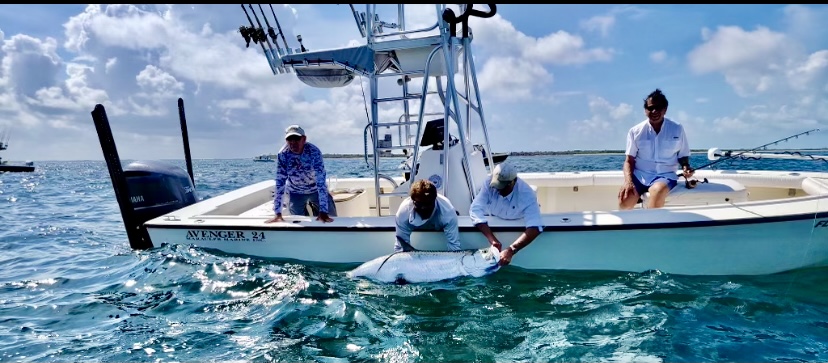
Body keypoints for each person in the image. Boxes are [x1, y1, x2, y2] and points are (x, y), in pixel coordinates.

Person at [618, 88, 694, 210]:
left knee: (657, 191)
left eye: (658, 108)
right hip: (640, 176)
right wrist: (628, 182)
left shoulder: (677, 128)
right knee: (625, 199)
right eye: (650, 108)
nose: (654, 111)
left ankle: (650, 227)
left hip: (665, 176)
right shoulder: (635, 131)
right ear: (645, 110)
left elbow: (683, 155)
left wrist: (686, 167)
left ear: (665, 109)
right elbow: (629, 160)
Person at [469, 162, 543, 266]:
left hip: (517, 217)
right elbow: (475, 210)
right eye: (496, 185)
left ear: (513, 182)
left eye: (502, 186)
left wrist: (511, 250)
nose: (498, 189)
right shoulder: (488, 184)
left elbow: (535, 227)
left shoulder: (527, 194)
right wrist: (492, 240)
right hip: (494, 214)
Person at [266, 124, 337, 223]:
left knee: (330, 219)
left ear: (304, 139)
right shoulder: (283, 154)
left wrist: (323, 211)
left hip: (315, 189)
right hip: (295, 191)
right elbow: (280, 182)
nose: (293, 143)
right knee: (298, 222)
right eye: (289, 139)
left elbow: (321, 181)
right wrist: (278, 212)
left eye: (296, 139)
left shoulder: (314, 152)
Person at [394, 179, 461, 252]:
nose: (424, 208)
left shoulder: (448, 211)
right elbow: (400, 248)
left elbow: (454, 247)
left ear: (435, 199)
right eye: (419, 204)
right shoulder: (403, 212)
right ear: (412, 201)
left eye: (427, 204)